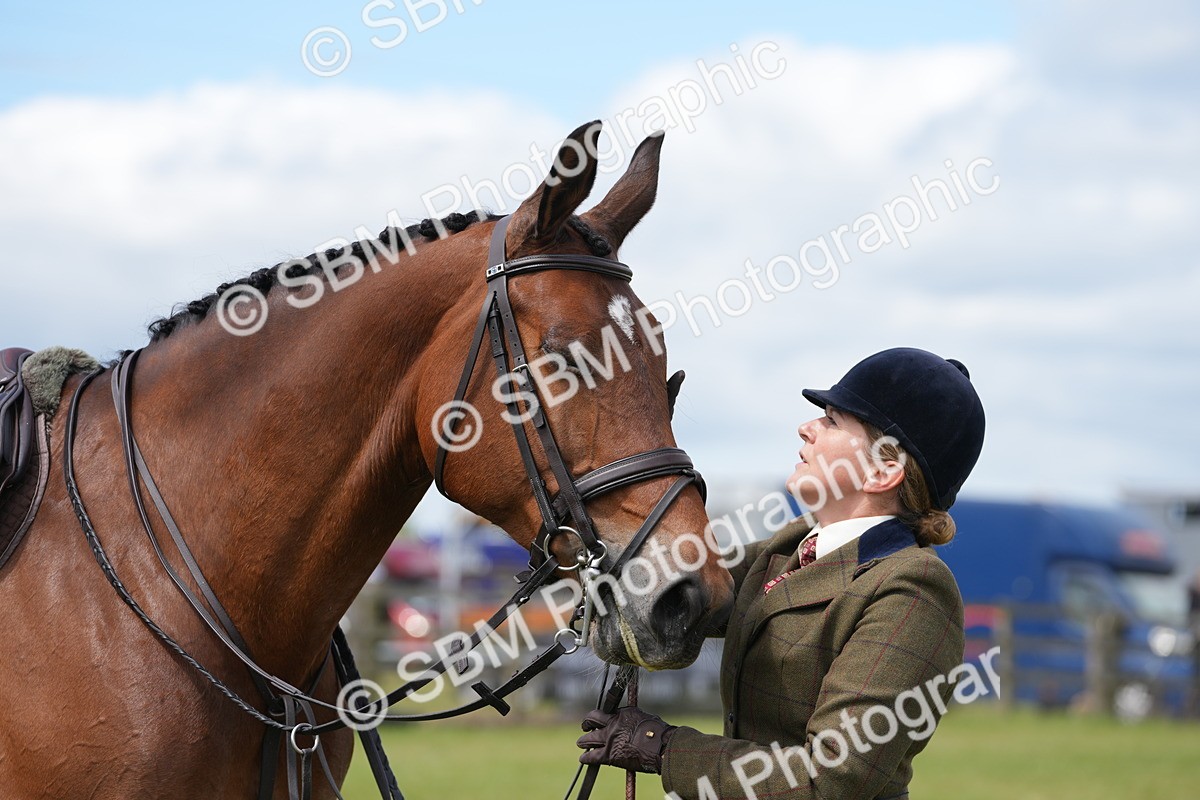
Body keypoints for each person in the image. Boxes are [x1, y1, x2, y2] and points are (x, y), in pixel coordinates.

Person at [576, 347, 986, 799]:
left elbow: (829, 779)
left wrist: (666, 751)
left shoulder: (911, 589)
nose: (806, 428)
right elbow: (676, 583)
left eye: (832, 421)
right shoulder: (790, 547)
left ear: (884, 469)